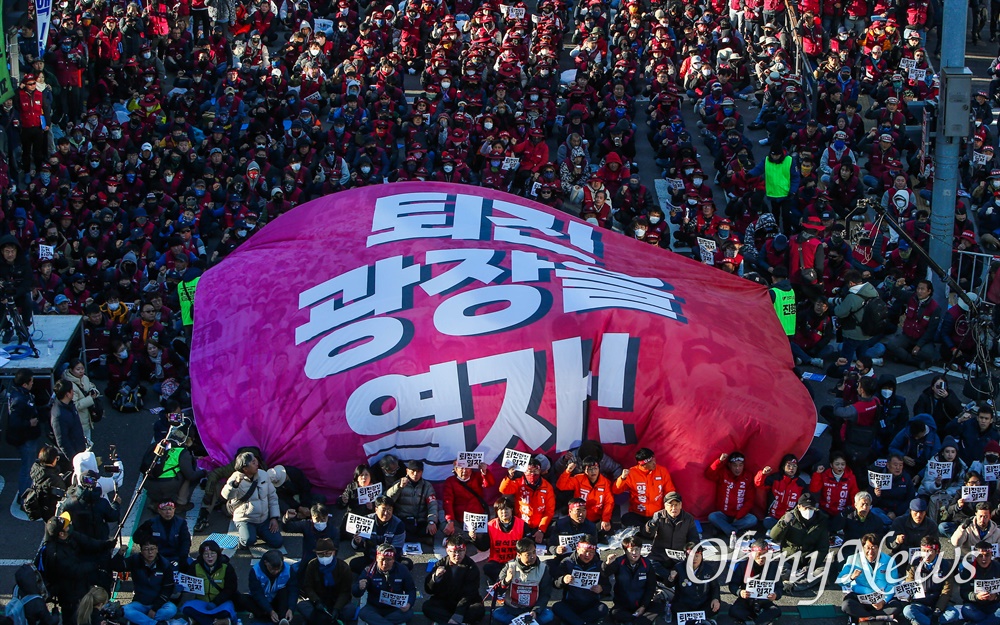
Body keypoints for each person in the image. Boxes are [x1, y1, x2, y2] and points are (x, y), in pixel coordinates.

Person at [41, 516, 113, 621]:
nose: (69, 526)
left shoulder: (69, 536)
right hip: (68, 592)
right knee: (72, 616)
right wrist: (96, 564)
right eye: (66, 526)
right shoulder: (55, 554)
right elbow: (75, 570)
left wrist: (105, 544)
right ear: (61, 534)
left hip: (79, 584)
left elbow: (88, 542)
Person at [221, 451, 283, 550]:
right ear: (245, 468)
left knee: (277, 542)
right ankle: (245, 537)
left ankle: (257, 532)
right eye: (253, 462)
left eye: (255, 460)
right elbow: (226, 495)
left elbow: (272, 496)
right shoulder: (235, 478)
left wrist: (274, 517)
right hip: (246, 519)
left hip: (263, 519)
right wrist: (235, 484)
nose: (256, 463)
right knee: (248, 541)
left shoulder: (263, 475)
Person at [111, 536, 178, 625]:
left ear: (157, 550)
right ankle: (156, 623)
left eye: (152, 549)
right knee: (125, 610)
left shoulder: (165, 564)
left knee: (172, 609)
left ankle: (140, 620)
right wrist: (120, 553)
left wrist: (154, 609)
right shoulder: (135, 560)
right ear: (141, 551)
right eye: (146, 549)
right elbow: (117, 567)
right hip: (140, 603)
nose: (150, 552)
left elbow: (168, 588)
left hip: (158, 604)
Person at [835, 533, 902, 622]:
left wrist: (883, 601)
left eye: (874, 547)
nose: (871, 552)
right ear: (862, 548)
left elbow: (893, 584)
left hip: (881, 597)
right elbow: (840, 580)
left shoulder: (889, 560)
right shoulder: (853, 559)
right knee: (847, 605)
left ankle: (865, 618)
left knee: (897, 607)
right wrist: (851, 577)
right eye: (868, 548)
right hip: (861, 597)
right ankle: (877, 618)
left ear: (879, 548)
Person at [769, 493, 829, 591]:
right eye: (805, 508)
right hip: (789, 558)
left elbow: (823, 547)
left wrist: (810, 565)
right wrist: (783, 523)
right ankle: (804, 581)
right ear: (799, 506)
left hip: (808, 560)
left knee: (823, 571)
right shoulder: (789, 517)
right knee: (776, 567)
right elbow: (774, 536)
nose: (808, 511)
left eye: (811, 508)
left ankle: (793, 585)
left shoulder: (821, 520)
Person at [423, 537, 484, 625]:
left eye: (460, 551)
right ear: (447, 551)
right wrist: (435, 578)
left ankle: (448, 621)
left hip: (464, 603)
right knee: (427, 606)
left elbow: (469, 594)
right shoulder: (440, 564)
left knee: (478, 609)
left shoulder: (471, 568)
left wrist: (457, 615)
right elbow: (428, 590)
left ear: (465, 550)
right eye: (453, 552)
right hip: (445, 601)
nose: (457, 555)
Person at [353, 543, 417, 625]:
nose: (384, 563)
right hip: (375, 607)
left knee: (409, 613)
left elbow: (411, 589)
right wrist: (359, 587)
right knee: (363, 613)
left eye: (388, 560)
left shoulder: (402, 570)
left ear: (394, 559)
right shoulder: (369, 571)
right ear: (376, 558)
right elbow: (355, 593)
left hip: (395, 608)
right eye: (382, 559)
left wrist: (409, 603)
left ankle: (379, 622)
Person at [494, 538, 554, 625]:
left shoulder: (543, 568)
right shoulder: (509, 566)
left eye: (534, 552)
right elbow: (498, 591)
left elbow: (545, 594)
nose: (533, 556)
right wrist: (506, 581)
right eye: (528, 554)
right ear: (519, 555)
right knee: (497, 614)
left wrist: (535, 611)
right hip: (512, 608)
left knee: (548, 615)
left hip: (532, 610)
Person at [603, 535, 661, 624]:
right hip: (623, 605)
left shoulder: (646, 564)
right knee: (614, 613)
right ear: (625, 551)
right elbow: (605, 574)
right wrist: (607, 564)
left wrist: (643, 606)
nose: (635, 553)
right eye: (631, 550)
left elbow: (651, 586)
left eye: (637, 549)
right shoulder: (619, 562)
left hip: (641, 604)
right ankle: (638, 621)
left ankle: (632, 621)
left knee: (659, 606)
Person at [141, 429, 205, 510]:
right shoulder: (181, 452)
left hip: (147, 483)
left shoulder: (156, 445)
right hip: (165, 486)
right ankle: (181, 503)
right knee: (186, 474)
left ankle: (155, 502)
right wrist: (203, 472)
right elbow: (191, 476)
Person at [614, 447, 677, 528]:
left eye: (654, 459)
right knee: (626, 519)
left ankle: (647, 531)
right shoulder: (632, 473)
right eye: (650, 462)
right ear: (642, 464)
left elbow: (670, 491)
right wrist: (622, 479)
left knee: (668, 523)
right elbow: (616, 491)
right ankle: (647, 530)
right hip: (638, 514)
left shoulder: (662, 471)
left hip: (657, 514)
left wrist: (670, 509)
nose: (654, 463)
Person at [552, 535, 608, 625]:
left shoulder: (599, 565)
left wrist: (601, 588)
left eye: (591, 552)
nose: (588, 555)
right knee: (557, 606)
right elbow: (555, 583)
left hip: (591, 605)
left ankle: (575, 622)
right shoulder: (567, 562)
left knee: (603, 608)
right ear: (578, 549)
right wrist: (563, 580)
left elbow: (608, 587)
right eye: (585, 551)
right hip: (570, 604)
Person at [940, 541, 1000, 624]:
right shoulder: (968, 569)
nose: (984, 558)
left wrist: (996, 596)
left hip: (994, 605)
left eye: (987, 555)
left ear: (991, 555)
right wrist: (976, 596)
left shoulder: (998, 567)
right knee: (966, 610)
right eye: (980, 556)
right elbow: (964, 593)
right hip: (975, 605)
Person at [298, 537, 355, 625]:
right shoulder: (312, 565)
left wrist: (337, 608)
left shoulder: (344, 567)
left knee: (350, 610)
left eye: (328, 554)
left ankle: (321, 620)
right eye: (321, 555)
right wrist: (317, 601)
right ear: (316, 554)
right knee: (302, 605)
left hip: (337, 601)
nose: (324, 557)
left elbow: (345, 592)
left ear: (334, 552)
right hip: (320, 603)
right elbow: (308, 587)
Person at [180, 541, 239, 625]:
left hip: (220, 603)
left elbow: (231, 588)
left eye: (212, 553)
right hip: (201, 602)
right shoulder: (195, 566)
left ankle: (198, 620)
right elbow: (189, 582)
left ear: (218, 554)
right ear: (201, 555)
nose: (209, 557)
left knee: (225, 611)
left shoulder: (226, 567)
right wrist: (181, 587)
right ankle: (218, 622)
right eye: (206, 554)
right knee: (186, 608)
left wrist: (216, 602)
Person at [499, 457, 556, 543]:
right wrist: (509, 477)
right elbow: (504, 490)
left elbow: (549, 511)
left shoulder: (547, 487)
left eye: (535, 471)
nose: (532, 474)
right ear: (524, 471)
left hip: (539, 525)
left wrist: (541, 530)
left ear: (540, 471)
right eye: (529, 471)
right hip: (521, 524)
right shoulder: (519, 483)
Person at [886, 279, 941, 367]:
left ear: (929, 291)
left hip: (922, 339)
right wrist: (897, 285)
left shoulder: (935, 308)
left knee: (928, 354)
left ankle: (902, 357)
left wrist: (919, 345)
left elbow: (931, 330)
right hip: (907, 336)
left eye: (922, 289)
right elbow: (897, 294)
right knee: (892, 345)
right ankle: (915, 362)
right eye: (918, 288)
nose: (919, 291)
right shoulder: (911, 297)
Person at [6, 369, 42, 504]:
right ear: (24, 384)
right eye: (31, 381)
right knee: (28, 469)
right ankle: (25, 500)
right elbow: (14, 422)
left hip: (29, 437)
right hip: (26, 439)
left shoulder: (21, 394)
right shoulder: (19, 399)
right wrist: (29, 423)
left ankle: (26, 495)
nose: (33, 383)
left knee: (29, 468)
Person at [728, 538, 783, 625]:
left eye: (764, 555)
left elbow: (779, 587)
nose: (761, 558)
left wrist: (776, 595)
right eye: (759, 554)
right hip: (746, 599)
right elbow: (733, 584)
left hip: (764, 600)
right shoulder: (743, 566)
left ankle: (751, 621)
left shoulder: (773, 567)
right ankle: (760, 620)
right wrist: (740, 592)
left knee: (776, 611)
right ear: (752, 553)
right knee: (734, 610)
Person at [902, 536, 955, 625]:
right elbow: (909, 584)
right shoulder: (914, 564)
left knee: (953, 613)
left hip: (937, 603)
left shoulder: (946, 566)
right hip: (920, 603)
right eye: (923, 551)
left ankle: (923, 621)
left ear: (937, 551)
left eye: (929, 551)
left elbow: (946, 591)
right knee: (907, 610)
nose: (926, 555)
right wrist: (907, 595)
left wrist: (938, 609)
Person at [831, 269, 882, 361]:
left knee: (845, 359)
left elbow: (839, 312)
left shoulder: (852, 297)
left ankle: (845, 373)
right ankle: (862, 373)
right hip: (868, 332)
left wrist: (838, 304)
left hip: (853, 333)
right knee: (862, 359)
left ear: (851, 283)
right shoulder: (872, 290)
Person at [705, 450, 757, 538]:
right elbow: (709, 474)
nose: (738, 468)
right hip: (723, 514)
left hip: (739, 516)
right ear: (729, 465)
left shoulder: (748, 476)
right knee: (712, 517)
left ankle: (724, 529)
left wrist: (738, 516)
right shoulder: (723, 473)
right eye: (735, 465)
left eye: (740, 465)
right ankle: (735, 532)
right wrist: (719, 461)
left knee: (753, 520)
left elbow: (750, 500)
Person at [474, 496, 526, 584]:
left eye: (506, 509)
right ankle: (503, 583)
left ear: (512, 509)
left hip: (516, 561)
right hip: (497, 562)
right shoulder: (490, 525)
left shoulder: (522, 524)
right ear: (496, 511)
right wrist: (474, 538)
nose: (504, 512)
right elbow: (484, 547)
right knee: (488, 568)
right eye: (500, 509)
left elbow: (527, 545)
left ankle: (503, 583)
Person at [556, 456, 614, 532]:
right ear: (584, 470)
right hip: (578, 517)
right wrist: (568, 471)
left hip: (596, 519)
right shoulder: (578, 479)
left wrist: (606, 519)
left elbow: (609, 503)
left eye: (595, 468)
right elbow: (561, 486)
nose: (593, 471)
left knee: (605, 530)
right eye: (589, 469)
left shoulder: (606, 483)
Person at [386, 459, 440, 542]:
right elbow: (387, 499)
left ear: (422, 472)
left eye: (418, 471)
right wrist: (398, 487)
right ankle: (420, 539)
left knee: (434, 526)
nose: (415, 474)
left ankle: (414, 538)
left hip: (420, 521)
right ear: (407, 471)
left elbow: (432, 504)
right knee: (397, 529)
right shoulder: (398, 483)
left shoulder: (427, 486)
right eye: (413, 471)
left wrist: (431, 521)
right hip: (403, 520)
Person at [644, 491, 698, 573]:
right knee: (647, 566)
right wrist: (652, 523)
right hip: (659, 555)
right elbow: (648, 534)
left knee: (693, 570)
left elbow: (694, 538)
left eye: (676, 505)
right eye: (671, 505)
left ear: (681, 505)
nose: (674, 508)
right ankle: (668, 578)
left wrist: (690, 550)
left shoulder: (688, 518)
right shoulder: (658, 516)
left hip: (679, 556)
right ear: (665, 506)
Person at [668, 543, 721, 624]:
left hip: (703, 602)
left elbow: (715, 587)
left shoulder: (708, 569)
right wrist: (671, 578)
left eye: (697, 556)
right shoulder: (678, 567)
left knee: (713, 607)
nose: (694, 559)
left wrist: (715, 599)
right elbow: (669, 585)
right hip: (684, 603)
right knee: (675, 608)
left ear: (701, 556)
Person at [441, 459, 494, 537]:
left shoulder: (477, 477)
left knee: (484, 534)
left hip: (476, 519)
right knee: (444, 526)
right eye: (461, 468)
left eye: (467, 468)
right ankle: (467, 538)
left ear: (471, 469)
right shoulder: (450, 481)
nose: (464, 470)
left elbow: (489, 483)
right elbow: (447, 502)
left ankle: (463, 538)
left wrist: (485, 472)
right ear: (455, 469)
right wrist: (450, 521)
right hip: (459, 519)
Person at [755, 454, 807, 531]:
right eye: (789, 465)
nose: (791, 468)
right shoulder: (776, 478)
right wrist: (763, 474)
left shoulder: (801, 484)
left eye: (794, 466)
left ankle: (779, 531)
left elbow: (805, 502)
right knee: (767, 522)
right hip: (773, 517)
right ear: (783, 467)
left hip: (790, 518)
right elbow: (759, 484)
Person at [247, 549, 298, 625]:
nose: (276, 572)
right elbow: (257, 594)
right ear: (265, 563)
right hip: (262, 601)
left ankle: (283, 618)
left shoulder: (288, 570)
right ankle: (265, 615)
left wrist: (291, 608)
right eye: (272, 569)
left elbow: (293, 590)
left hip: (278, 600)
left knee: (284, 591)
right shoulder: (255, 571)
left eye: (279, 569)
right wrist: (270, 610)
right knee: (244, 599)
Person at [283, 502, 339, 570]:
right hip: (307, 562)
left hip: (326, 561)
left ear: (327, 517)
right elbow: (288, 528)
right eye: (317, 519)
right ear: (312, 517)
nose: (320, 522)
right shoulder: (306, 525)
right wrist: (287, 518)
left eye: (323, 519)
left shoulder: (334, 530)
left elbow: (335, 550)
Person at [135, 500, 192, 567]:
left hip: (176, 556)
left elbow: (186, 541)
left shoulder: (181, 523)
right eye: (164, 509)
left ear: (174, 510)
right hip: (157, 557)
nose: (168, 512)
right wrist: (142, 529)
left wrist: (183, 557)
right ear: (159, 511)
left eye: (170, 509)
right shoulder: (151, 523)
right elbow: (137, 539)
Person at [0, 235, 35, 336]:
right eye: (7, 251)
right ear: (2, 252)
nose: (10, 254)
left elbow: (27, 283)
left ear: (16, 251)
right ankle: (7, 327)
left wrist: (13, 296)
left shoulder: (24, 262)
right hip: (2, 295)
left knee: (28, 300)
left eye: (12, 251)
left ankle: (24, 326)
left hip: (19, 293)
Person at [62, 359, 100, 441]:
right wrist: (90, 398)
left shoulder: (84, 378)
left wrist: (94, 391)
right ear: (71, 370)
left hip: (86, 417)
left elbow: (91, 386)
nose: (81, 371)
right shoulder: (68, 385)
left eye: (82, 369)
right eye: (78, 369)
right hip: (78, 420)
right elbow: (74, 405)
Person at [28, 445, 68, 521]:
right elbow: (64, 492)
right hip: (52, 508)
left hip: (42, 505)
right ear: (53, 460)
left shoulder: (36, 469)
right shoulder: (53, 479)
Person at [51, 379, 87, 463]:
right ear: (67, 394)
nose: (73, 392)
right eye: (72, 390)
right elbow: (62, 441)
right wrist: (74, 460)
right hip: (72, 457)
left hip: (79, 450)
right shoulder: (58, 415)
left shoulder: (70, 405)